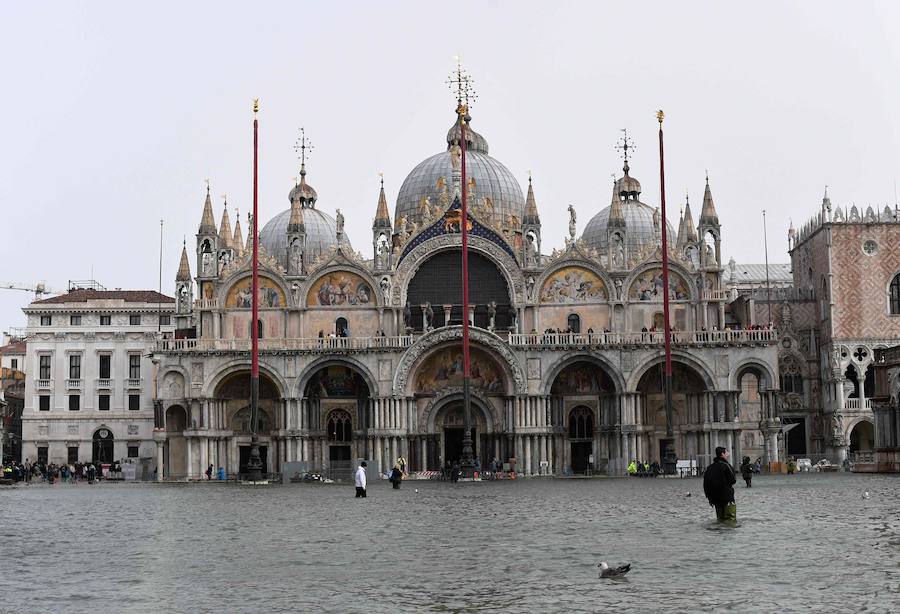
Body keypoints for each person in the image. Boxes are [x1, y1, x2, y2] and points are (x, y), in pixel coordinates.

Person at [703, 447, 736, 521]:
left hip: (715, 499)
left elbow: (705, 484)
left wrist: (709, 498)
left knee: (720, 520)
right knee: (730, 520)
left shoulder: (710, 467)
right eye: (726, 452)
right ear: (722, 454)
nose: (728, 454)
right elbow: (733, 480)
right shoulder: (726, 465)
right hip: (727, 497)